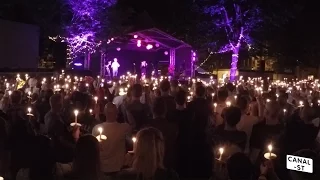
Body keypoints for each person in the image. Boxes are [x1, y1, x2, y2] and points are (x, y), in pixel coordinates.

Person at [92, 103, 131, 175]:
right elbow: (133, 124)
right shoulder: (124, 128)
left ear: (104, 113)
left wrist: (97, 114)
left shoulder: (96, 129)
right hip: (118, 167)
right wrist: (126, 110)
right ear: (117, 113)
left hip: (102, 167)